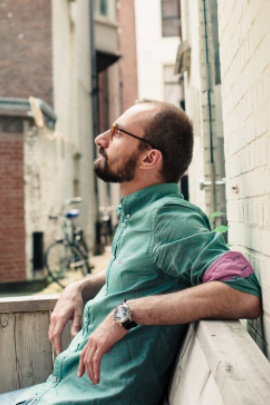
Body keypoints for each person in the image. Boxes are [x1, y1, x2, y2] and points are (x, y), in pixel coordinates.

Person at [6, 100, 261, 405]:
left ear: (150, 158)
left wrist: (126, 314)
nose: (101, 139)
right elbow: (137, 267)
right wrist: (80, 285)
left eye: (116, 133)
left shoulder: (168, 219)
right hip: (56, 392)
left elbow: (243, 290)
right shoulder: (141, 216)